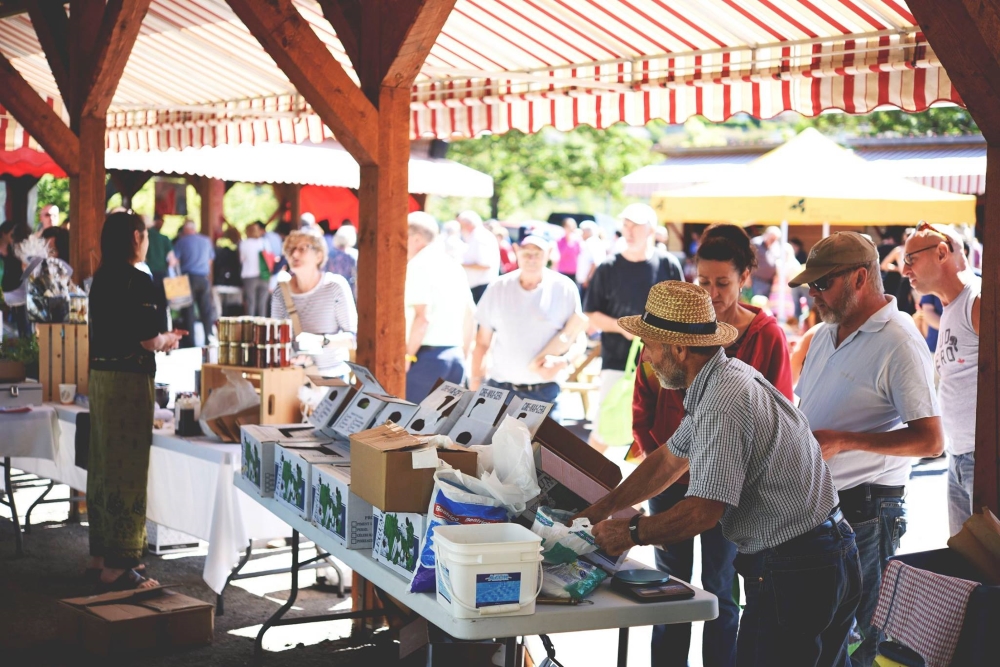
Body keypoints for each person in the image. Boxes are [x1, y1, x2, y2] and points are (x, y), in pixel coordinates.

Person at [578, 281, 860, 667]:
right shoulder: (721, 379)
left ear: (678, 348)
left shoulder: (721, 401)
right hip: (822, 552)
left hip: (797, 563)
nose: (646, 356)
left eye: (651, 345)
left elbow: (702, 511)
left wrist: (630, 532)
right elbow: (670, 459)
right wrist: (605, 506)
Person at [633, 224, 793, 667]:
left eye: (722, 283)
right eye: (703, 282)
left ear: (745, 279)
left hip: (733, 487)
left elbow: (776, 415)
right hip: (670, 475)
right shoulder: (670, 331)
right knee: (669, 584)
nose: (713, 292)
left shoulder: (763, 337)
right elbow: (645, 409)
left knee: (721, 585)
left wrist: (622, 529)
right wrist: (659, 465)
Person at [789, 232, 943, 667]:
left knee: (860, 644)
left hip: (868, 511)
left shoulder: (899, 338)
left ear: (860, 277)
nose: (814, 294)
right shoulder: (823, 333)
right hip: (821, 506)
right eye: (811, 285)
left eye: (823, 283)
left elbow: (931, 441)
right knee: (823, 639)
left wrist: (845, 440)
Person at [86, 211, 186, 590]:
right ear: (135, 237)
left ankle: (99, 556)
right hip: (128, 382)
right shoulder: (138, 278)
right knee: (127, 469)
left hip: (100, 377)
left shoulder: (101, 277)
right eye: (144, 235)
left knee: (101, 465)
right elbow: (147, 338)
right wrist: (166, 339)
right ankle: (120, 562)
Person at [901, 222, 980, 535]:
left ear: (943, 253)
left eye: (910, 259)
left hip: (984, 458)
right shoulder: (950, 307)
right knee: (970, 564)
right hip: (960, 458)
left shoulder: (977, 302)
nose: (905, 270)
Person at [583, 203, 682, 450]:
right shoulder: (608, 267)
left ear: (651, 230)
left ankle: (651, 490)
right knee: (604, 431)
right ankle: (580, 486)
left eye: (635, 225)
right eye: (625, 224)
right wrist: (623, 327)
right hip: (617, 361)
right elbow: (591, 315)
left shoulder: (668, 265)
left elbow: (682, 312)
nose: (629, 230)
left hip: (662, 363)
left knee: (658, 435)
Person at [471, 235, 585, 422]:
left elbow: (578, 337)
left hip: (544, 392)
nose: (531, 258)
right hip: (500, 391)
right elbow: (482, 342)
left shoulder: (564, 288)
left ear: (548, 253)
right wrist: (476, 385)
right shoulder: (498, 287)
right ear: (516, 251)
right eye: (527, 252)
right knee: (494, 450)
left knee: (545, 451)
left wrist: (564, 361)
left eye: (537, 253)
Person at [404, 212, 474, 402]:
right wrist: (463, 355)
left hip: (426, 359)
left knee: (408, 428)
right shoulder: (454, 266)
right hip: (455, 356)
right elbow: (471, 316)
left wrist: (408, 357)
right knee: (440, 429)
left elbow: (422, 317)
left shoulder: (417, 265)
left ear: (416, 238)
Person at [271, 229, 357, 378]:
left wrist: (320, 340)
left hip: (332, 380)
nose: (295, 254)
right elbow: (276, 338)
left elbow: (353, 339)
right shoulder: (281, 291)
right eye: (290, 249)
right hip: (293, 380)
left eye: (302, 248)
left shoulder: (335, 286)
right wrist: (293, 355)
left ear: (319, 255)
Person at [172, 220, 216, 346]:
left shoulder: (181, 241)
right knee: (205, 310)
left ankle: (190, 341)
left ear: (185, 230)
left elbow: (174, 261)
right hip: (203, 278)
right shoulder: (206, 241)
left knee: (188, 311)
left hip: (187, 278)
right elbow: (210, 261)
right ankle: (209, 337)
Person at [457, 210, 500, 303]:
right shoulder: (477, 236)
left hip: (482, 287)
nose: (460, 229)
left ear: (467, 224)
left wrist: (461, 264)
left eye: (461, 225)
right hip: (479, 286)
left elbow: (485, 264)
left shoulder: (480, 237)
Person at [143, 215, 176, 331]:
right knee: (162, 308)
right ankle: (163, 336)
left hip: (146, 275)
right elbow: (172, 261)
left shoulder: (144, 237)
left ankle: (150, 334)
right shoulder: (164, 239)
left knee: (147, 307)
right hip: (162, 276)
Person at [239, 221, 271, 317]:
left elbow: (242, 259)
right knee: (262, 303)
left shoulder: (244, 244)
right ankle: (262, 327)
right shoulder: (264, 242)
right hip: (264, 275)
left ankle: (250, 327)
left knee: (250, 302)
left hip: (249, 275)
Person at [576, 220, 606, 303]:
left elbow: (595, 263)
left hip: (588, 282)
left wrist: (588, 279)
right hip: (589, 281)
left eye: (583, 231)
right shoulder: (594, 242)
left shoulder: (591, 242)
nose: (581, 233)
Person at [328, 225, 359, 299]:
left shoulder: (330, 254)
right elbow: (356, 274)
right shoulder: (354, 254)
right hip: (349, 290)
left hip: (332, 290)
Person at [750, 226, 781, 297]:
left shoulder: (775, 245)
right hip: (758, 280)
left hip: (771, 281)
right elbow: (748, 260)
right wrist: (748, 278)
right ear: (766, 234)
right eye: (772, 239)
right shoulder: (755, 243)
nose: (773, 241)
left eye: (775, 239)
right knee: (758, 301)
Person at [555, 217, 582, 284]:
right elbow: (561, 254)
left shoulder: (577, 240)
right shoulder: (560, 240)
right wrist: (568, 241)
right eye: (568, 226)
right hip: (563, 271)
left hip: (574, 272)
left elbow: (579, 254)